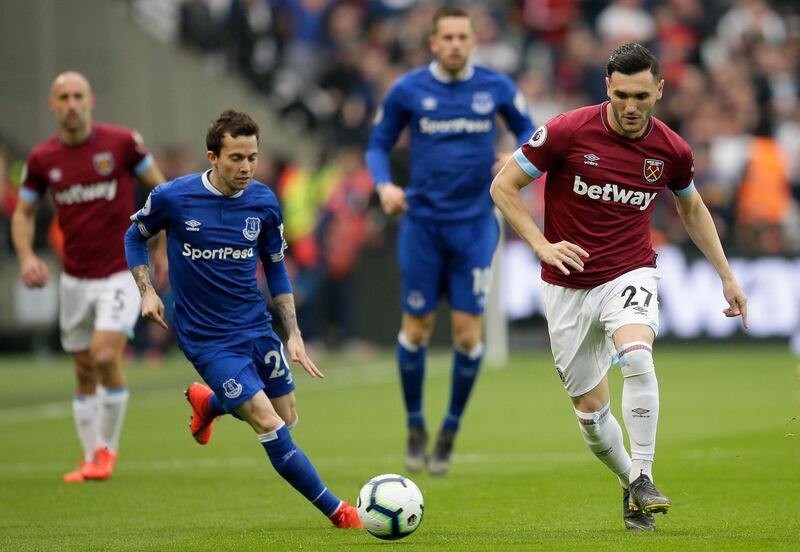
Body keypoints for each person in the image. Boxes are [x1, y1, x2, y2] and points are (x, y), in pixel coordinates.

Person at [490, 43, 748, 531]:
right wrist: (541, 245)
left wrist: (727, 275)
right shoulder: (566, 130)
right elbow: (503, 186)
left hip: (630, 271)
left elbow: (692, 208)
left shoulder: (671, 150)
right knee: (590, 416)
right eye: (623, 95)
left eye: (642, 96)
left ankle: (645, 475)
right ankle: (632, 484)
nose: (632, 107)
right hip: (566, 284)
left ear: (660, 90)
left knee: (636, 355)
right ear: (607, 86)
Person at [123, 109, 362, 529]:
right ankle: (338, 511)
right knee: (267, 421)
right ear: (212, 157)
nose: (246, 167)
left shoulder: (264, 202)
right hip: (207, 339)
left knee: (287, 414)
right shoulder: (174, 198)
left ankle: (209, 403)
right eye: (236, 158)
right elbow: (134, 236)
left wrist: (293, 333)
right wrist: (146, 292)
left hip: (255, 326)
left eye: (252, 157)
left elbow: (275, 268)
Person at [364, 5, 535, 476]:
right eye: (448, 37)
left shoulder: (495, 87)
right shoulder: (408, 90)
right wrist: (384, 186)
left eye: (464, 36)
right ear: (434, 42)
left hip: (476, 225)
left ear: (473, 40)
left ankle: (450, 429)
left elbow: (532, 132)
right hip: (422, 225)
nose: (456, 44)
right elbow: (378, 143)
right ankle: (415, 426)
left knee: (466, 335)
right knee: (416, 330)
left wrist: (515, 158)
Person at [12, 71, 166, 483]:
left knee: (102, 355)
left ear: (91, 100)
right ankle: (89, 457)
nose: (71, 104)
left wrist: (164, 246)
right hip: (75, 279)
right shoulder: (42, 160)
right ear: (52, 105)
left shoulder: (121, 143)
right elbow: (24, 212)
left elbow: (163, 191)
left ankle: (106, 451)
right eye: (63, 97)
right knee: (82, 369)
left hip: (121, 271)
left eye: (78, 96)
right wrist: (27, 255)